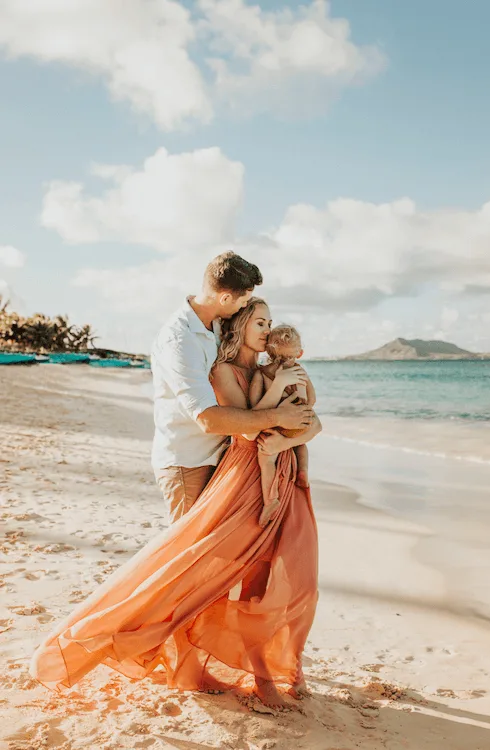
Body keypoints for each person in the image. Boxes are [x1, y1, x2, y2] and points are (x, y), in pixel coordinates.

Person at [29, 298, 321, 712]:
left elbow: (310, 420)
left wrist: (290, 436)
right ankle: (199, 664)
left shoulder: (266, 370)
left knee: (288, 574)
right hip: (240, 473)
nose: (268, 330)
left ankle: (280, 667)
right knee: (194, 571)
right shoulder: (223, 371)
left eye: (270, 323)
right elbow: (245, 427)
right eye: (260, 322)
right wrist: (281, 425)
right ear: (238, 326)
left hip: (277, 475)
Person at [150, 251, 314, 525]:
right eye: (244, 301)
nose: (244, 307)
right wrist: (277, 417)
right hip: (188, 461)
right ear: (225, 298)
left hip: (223, 456)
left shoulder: (219, 324)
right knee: (188, 550)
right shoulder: (179, 340)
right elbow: (206, 418)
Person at [248, 324, 315, 528]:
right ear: (300, 353)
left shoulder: (262, 374)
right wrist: (303, 409)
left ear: (267, 351)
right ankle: (302, 472)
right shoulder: (301, 370)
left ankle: (271, 499)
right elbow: (312, 399)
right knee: (300, 445)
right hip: (303, 420)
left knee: (267, 461)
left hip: (278, 423)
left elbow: (255, 408)